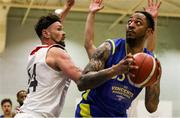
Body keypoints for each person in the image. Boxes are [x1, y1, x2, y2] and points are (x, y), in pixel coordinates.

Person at [14, 0, 136, 118]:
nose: (64, 32)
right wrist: (115, 70)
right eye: (59, 29)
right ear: (45, 34)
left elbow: (52, 26)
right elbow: (82, 80)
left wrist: (67, 8)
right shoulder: (57, 52)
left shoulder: (35, 54)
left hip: (26, 112)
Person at [75, 0, 162, 117]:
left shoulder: (151, 63)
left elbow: (151, 107)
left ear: (149, 31)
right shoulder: (109, 48)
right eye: (130, 21)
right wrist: (115, 70)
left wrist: (155, 79)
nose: (131, 25)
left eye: (138, 23)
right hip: (91, 113)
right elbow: (81, 82)